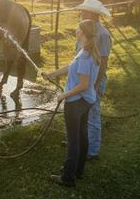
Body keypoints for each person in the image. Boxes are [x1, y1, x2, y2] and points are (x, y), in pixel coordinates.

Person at [42, 19, 101, 187]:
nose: (75, 31)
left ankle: (67, 177)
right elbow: (71, 67)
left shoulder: (84, 56)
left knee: (74, 140)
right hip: (87, 100)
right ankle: (78, 170)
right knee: (82, 137)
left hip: (76, 103)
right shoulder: (89, 51)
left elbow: (82, 84)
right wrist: (51, 74)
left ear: (82, 32)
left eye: (77, 29)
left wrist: (64, 95)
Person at [74, 0, 112, 160]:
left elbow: (103, 63)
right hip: (82, 78)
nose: (80, 13)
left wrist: (95, 86)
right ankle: (79, 141)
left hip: (94, 80)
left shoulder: (103, 34)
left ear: (91, 13)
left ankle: (92, 150)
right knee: (79, 112)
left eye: (83, 11)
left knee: (92, 113)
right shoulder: (84, 29)